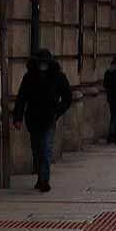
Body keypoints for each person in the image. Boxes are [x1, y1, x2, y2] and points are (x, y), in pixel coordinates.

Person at [12, 49, 72, 193]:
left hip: (49, 118)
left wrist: (57, 111)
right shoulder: (29, 77)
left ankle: (44, 179)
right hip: (33, 118)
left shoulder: (58, 77)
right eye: (40, 63)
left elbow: (67, 98)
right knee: (36, 149)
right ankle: (40, 175)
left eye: (45, 63)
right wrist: (18, 118)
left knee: (46, 148)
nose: (43, 65)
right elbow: (21, 98)